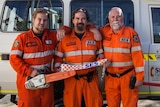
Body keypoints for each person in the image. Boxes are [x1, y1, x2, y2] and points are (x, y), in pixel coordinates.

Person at [54, 8, 105, 107]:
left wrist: (101, 61)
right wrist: (59, 71)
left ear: (87, 21)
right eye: (77, 19)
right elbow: (57, 59)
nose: (80, 21)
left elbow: (100, 55)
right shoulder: (64, 38)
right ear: (73, 20)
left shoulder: (94, 36)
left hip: (91, 79)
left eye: (83, 19)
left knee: (95, 104)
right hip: (72, 80)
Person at [100, 7, 145, 107]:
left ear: (122, 18)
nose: (115, 19)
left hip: (127, 77)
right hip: (111, 78)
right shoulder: (104, 32)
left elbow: (138, 57)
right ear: (109, 19)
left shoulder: (131, 33)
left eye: (118, 17)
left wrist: (140, 77)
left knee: (130, 105)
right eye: (113, 17)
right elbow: (89, 28)